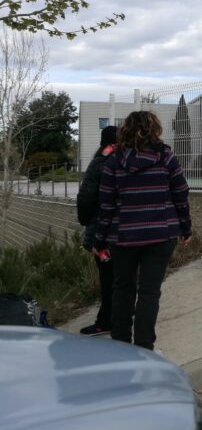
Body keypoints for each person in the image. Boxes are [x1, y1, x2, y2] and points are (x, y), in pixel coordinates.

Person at [95, 111, 192, 351]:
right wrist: (185, 226)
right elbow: (181, 194)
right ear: (155, 129)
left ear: (124, 130)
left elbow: (106, 203)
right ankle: (144, 347)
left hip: (123, 236)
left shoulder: (113, 161)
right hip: (161, 234)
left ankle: (120, 347)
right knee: (149, 292)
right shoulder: (166, 158)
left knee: (122, 289)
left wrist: (100, 238)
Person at [76, 125, 117, 336]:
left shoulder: (100, 163)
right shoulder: (128, 161)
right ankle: (120, 317)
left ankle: (106, 320)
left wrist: (86, 224)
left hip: (102, 233)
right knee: (124, 278)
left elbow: (85, 199)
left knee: (108, 278)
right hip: (127, 233)